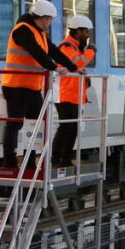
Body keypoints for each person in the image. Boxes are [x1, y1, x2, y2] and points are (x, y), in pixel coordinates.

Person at [2, 0, 80, 168]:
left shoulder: (40, 33)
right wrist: (53, 68)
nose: (50, 23)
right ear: (44, 18)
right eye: (50, 19)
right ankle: (9, 163)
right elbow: (36, 51)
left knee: (34, 125)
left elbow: (53, 51)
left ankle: (29, 162)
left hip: (32, 87)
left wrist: (73, 67)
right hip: (16, 86)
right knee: (14, 125)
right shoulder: (22, 30)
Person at [54, 15, 96, 168]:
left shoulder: (74, 48)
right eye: (86, 32)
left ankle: (63, 159)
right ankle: (58, 159)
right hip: (66, 94)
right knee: (67, 128)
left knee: (71, 129)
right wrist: (91, 51)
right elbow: (76, 63)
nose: (87, 35)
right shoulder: (67, 47)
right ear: (78, 31)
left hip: (73, 95)